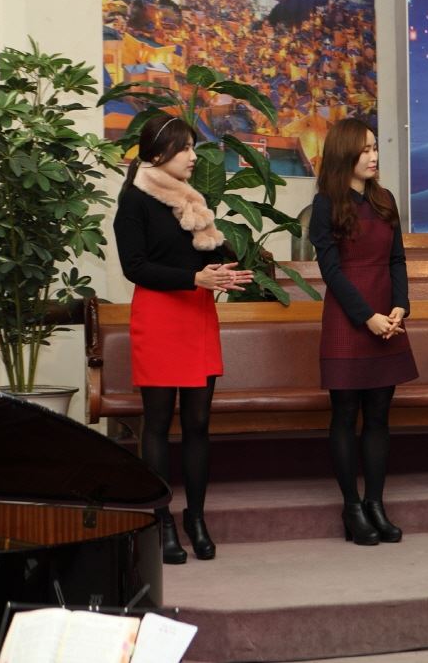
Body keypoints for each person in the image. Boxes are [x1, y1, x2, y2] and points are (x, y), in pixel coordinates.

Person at [113, 113, 253, 564]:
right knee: (157, 423)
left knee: (198, 423)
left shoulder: (191, 200)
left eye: (193, 147)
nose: (194, 156)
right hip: (158, 316)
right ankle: (162, 521)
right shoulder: (134, 200)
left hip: (197, 314)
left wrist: (221, 272)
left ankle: (196, 518)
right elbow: (135, 267)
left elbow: (198, 260)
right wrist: (195, 278)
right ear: (158, 154)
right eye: (186, 148)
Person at [310, 118, 419, 546]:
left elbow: (397, 260)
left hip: (387, 317)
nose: (374, 156)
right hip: (348, 317)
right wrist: (366, 317)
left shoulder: (384, 199)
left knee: (378, 416)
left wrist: (399, 307)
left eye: (375, 148)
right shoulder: (326, 204)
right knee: (344, 414)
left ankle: (375, 503)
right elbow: (331, 271)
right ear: (345, 154)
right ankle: (351, 507)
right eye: (366, 149)